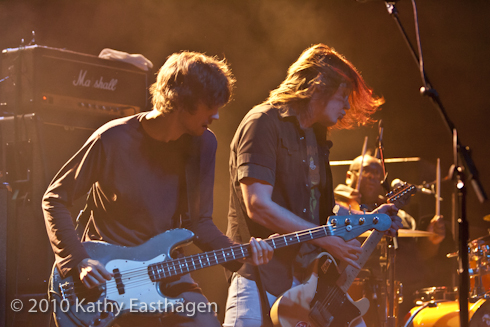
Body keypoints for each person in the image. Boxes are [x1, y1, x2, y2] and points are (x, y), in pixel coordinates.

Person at [42, 51, 273, 327]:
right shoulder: (112, 139)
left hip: (166, 270)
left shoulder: (203, 144)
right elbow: (55, 197)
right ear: (182, 100)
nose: (217, 115)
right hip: (105, 276)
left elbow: (198, 223)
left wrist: (241, 252)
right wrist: (78, 261)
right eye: (211, 105)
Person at [223, 44, 403, 327]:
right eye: (343, 96)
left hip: (307, 281)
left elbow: (322, 213)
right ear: (318, 87)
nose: (346, 106)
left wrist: (371, 220)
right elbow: (258, 206)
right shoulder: (262, 122)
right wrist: (323, 238)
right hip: (261, 279)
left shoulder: (316, 136)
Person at [334, 154, 446, 323]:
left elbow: (420, 257)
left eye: (378, 173)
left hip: (403, 293)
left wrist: (432, 241)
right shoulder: (335, 207)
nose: (373, 176)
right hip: (354, 290)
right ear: (350, 176)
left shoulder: (398, 216)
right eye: (366, 171)